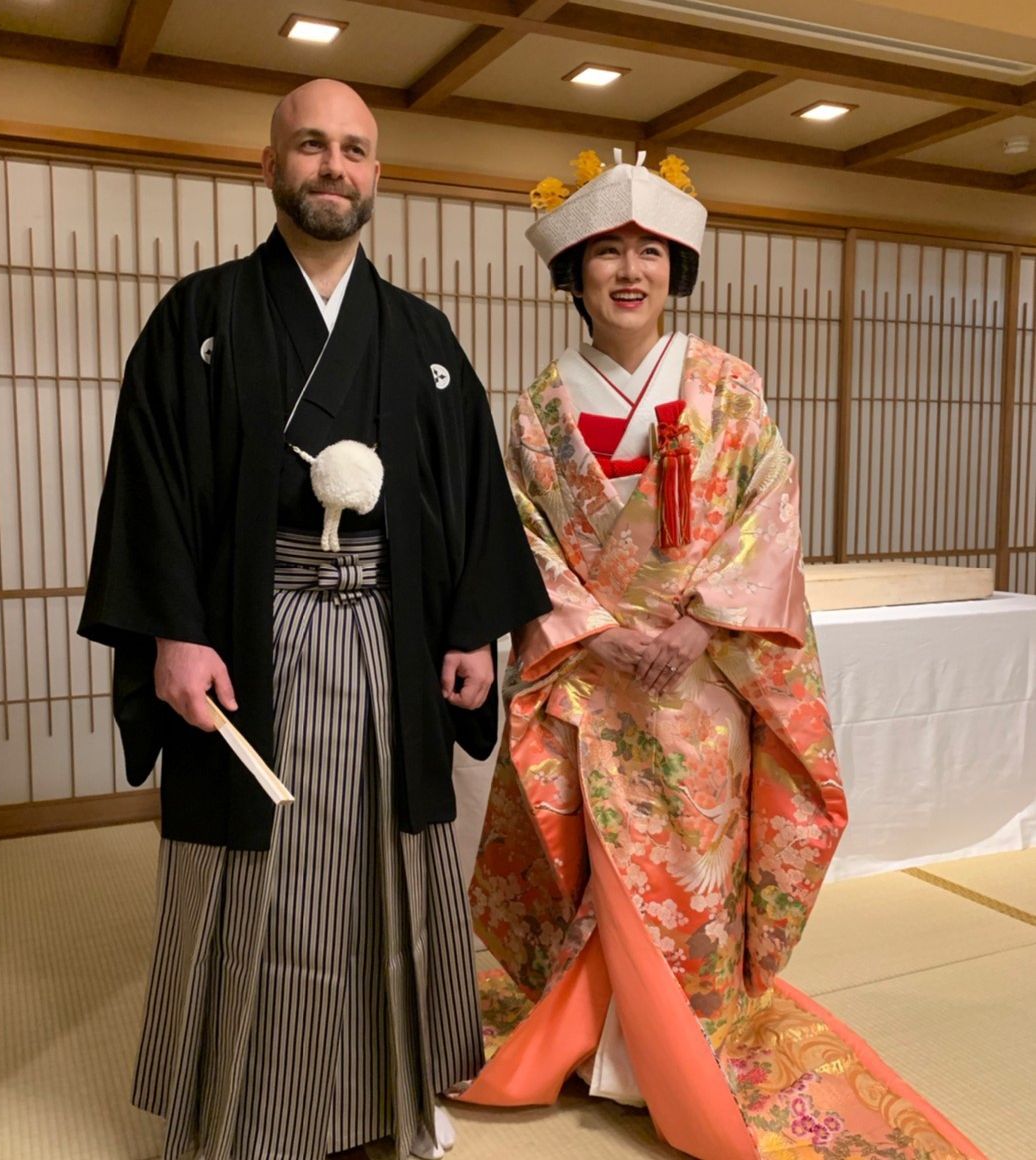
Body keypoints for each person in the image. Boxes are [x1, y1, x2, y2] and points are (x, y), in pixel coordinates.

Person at [461, 151, 984, 1159]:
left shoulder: (728, 387)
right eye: (606, 251)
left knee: (694, 865)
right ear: (573, 272)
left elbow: (767, 514)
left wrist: (700, 625)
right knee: (596, 860)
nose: (629, 271)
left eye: (650, 252)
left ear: (676, 269)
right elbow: (520, 535)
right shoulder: (538, 405)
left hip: (703, 673)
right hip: (593, 674)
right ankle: (599, 1047)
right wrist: (600, 630)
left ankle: (677, 1045)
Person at [78, 80, 549, 1160]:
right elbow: (150, 484)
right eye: (310, 146)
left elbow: (469, 496)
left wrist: (470, 630)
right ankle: (243, 1112)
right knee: (262, 874)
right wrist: (173, 632)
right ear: (269, 164)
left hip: (392, 640)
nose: (333, 166)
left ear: (376, 174)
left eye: (353, 150)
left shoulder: (420, 335)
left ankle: (393, 1095)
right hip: (247, 642)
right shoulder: (199, 319)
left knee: (390, 865)